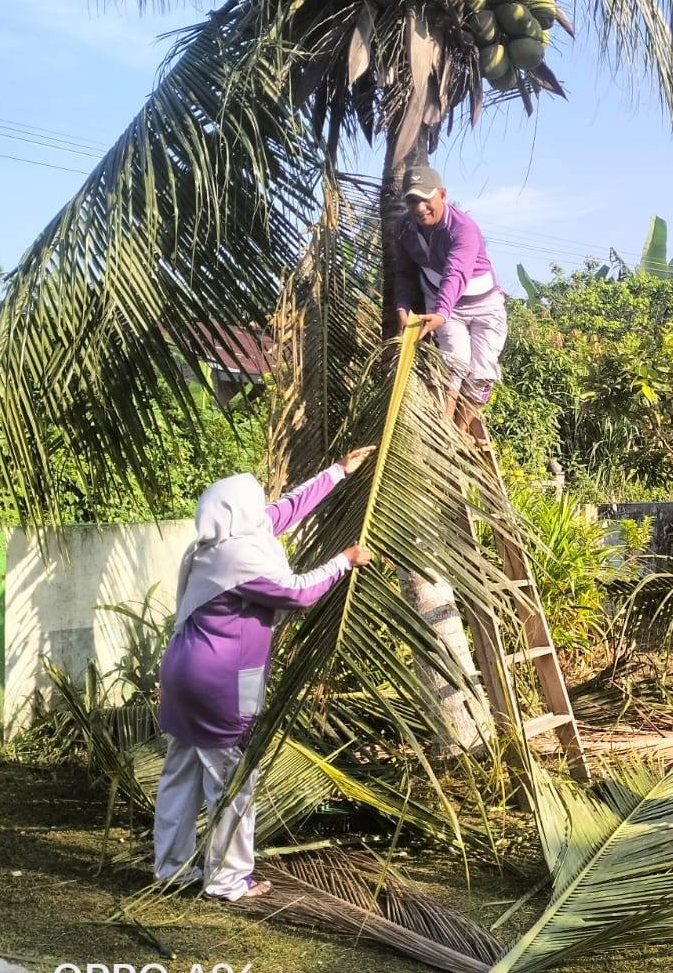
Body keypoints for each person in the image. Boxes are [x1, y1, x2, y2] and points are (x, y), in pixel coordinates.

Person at [154, 447, 375, 901]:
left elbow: (285, 510)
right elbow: (297, 592)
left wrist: (338, 471)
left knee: (180, 773)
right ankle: (228, 880)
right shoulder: (241, 559)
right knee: (232, 780)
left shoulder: (220, 541)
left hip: (182, 672)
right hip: (219, 680)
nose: (263, 511)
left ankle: (171, 868)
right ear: (240, 514)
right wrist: (343, 561)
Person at [389, 165, 508, 439]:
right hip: (446, 308)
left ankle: (460, 432)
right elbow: (404, 272)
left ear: (442, 194)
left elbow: (455, 273)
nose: (419, 208)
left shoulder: (463, 229)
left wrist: (441, 313)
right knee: (454, 363)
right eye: (412, 200)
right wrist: (402, 307)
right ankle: (443, 434)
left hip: (484, 306)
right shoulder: (404, 228)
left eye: (425, 199)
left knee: (482, 373)